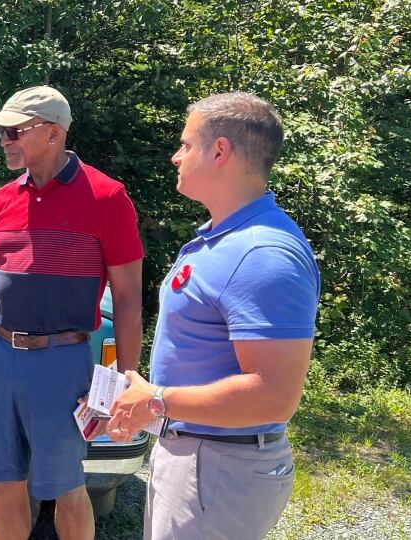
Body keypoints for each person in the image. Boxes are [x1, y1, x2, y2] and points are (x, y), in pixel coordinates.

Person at [0, 86, 144, 540]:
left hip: (61, 361)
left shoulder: (107, 197)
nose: (4, 139)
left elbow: (129, 298)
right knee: (4, 483)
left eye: (14, 130)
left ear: (53, 133)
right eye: (2, 131)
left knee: (67, 488)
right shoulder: (3, 199)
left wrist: (122, 384)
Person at [106, 92, 321, 539]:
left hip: (220, 468)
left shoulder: (262, 253)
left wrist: (156, 400)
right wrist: (152, 404)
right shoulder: (225, 238)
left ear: (219, 151)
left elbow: (274, 395)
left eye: (185, 144)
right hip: (203, 457)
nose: (174, 156)